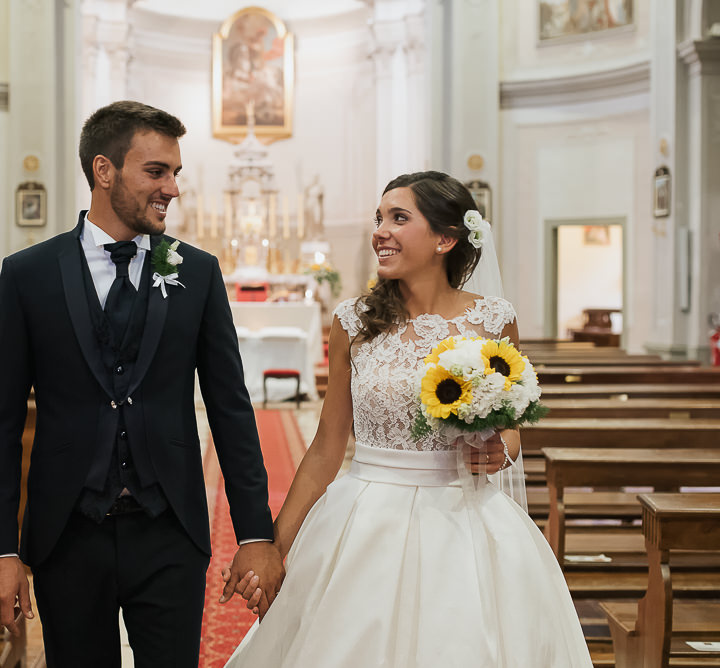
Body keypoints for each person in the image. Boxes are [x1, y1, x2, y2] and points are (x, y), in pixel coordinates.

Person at [223, 171, 593, 667]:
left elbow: (510, 425)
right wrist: (273, 547)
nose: (380, 231)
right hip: (365, 518)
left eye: (399, 218)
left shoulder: (493, 319)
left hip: (463, 519)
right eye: (379, 218)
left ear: (445, 239)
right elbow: (326, 448)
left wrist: (501, 449)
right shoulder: (352, 321)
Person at [0, 100, 283, 667]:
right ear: (104, 170)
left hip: (170, 531)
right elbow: (0, 424)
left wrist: (254, 534)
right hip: (66, 535)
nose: (173, 188)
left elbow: (231, 410)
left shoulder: (196, 272)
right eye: (156, 171)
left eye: (176, 173)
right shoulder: (28, 275)